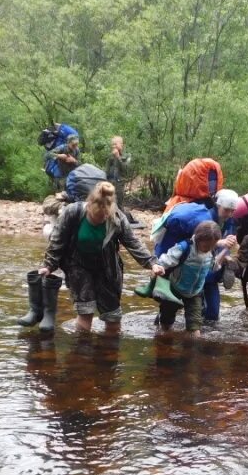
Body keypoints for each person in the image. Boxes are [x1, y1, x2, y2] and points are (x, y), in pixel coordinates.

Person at [37, 181, 163, 334]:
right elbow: (57, 241)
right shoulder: (73, 212)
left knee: (113, 317)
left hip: (107, 268)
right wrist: (48, 265)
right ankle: (83, 350)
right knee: (85, 311)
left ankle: (109, 352)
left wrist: (152, 263)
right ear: (88, 206)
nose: (100, 220)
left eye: (104, 218)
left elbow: (133, 243)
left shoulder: (117, 218)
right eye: (96, 217)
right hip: (78, 266)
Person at [152, 188, 240, 323]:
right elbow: (196, 245)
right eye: (226, 210)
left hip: (208, 272)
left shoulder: (229, 222)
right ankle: (165, 326)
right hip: (186, 273)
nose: (229, 214)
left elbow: (216, 261)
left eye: (232, 211)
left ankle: (202, 339)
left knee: (212, 315)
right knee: (169, 314)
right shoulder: (203, 220)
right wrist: (156, 266)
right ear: (218, 205)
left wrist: (226, 255)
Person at [154, 220, 222, 338]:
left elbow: (213, 265)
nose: (208, 249)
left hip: (195, 292)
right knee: (166, 323)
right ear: (198, 239)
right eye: (206, 246)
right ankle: (164, 344)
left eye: (212, 246)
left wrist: (221, 262)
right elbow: (167, 259)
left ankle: (191, 350)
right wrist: (158, 267)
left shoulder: (211, 250)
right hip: (174, 289)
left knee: (195, 326)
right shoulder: (184, 248)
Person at [105, 136, 139, 226]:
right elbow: (107, 170)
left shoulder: (127, 156)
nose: (114, 146)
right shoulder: (110, 156)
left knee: (119, 204)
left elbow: (126, 170)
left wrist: (118, 157)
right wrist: (112, 158)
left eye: (116, 144)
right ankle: (110, 222)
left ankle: (122, 224)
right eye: (113, 144)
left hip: (119, 183)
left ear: (122, 145)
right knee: (108, 202)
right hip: (110, 183)